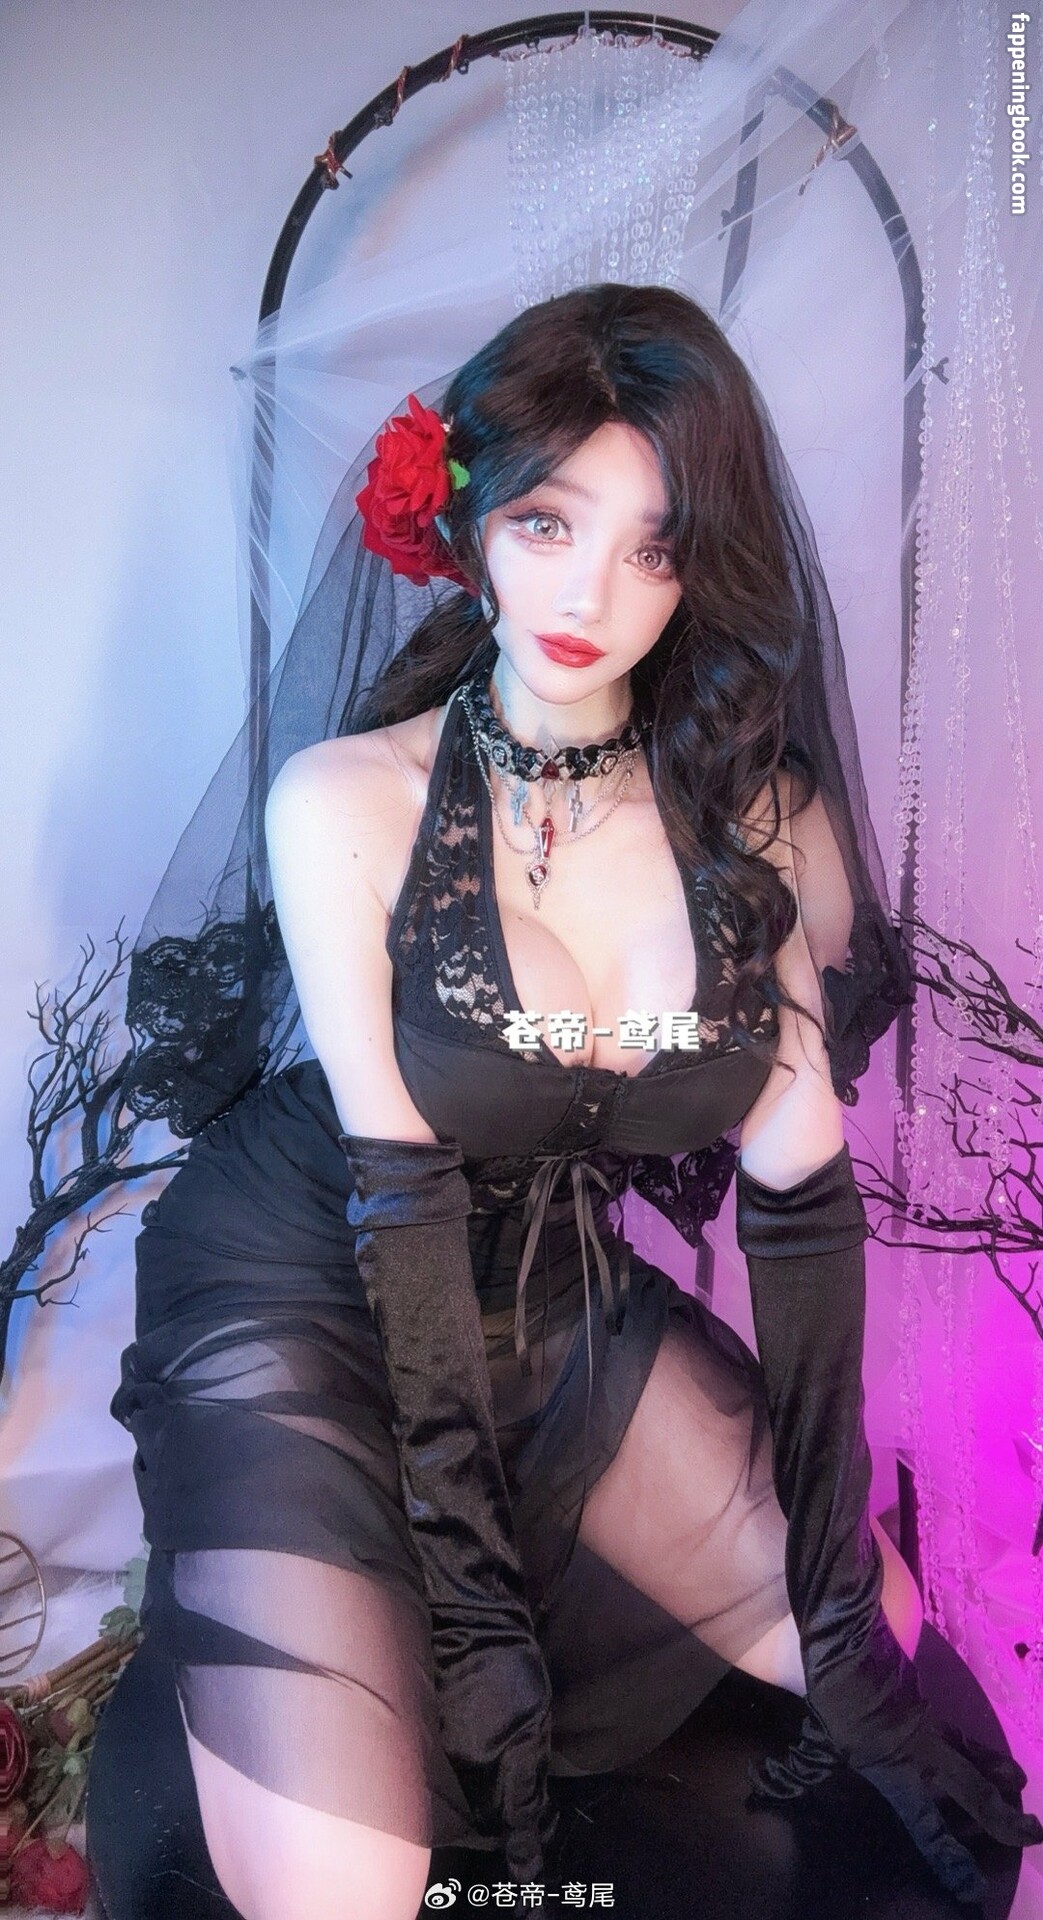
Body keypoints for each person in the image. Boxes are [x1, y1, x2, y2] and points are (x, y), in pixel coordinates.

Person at [85, 284, 1040, 1920]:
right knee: (349, 1881)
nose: (591, 592)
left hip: (545, 1287)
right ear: (467, 521)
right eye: (547, 522)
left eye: (653, 547)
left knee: (883, 1660)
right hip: (310, 1267)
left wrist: (828, 1569)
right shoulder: (348, 802)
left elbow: (803, 1202)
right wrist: (476, 1627)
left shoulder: (752, 819)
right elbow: (396, 1195)